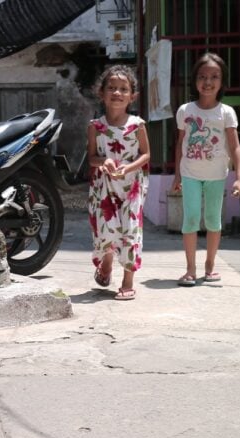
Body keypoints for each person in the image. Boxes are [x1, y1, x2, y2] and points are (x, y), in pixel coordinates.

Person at [172, 52, 240, 286]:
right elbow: (180, 145)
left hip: (216, 175)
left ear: (222, 81)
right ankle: (190, 270)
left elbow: (235, 147)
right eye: (202, 76)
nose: (208, 81)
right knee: (191, 219)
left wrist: (239, 178)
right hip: (190, 173)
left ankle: (210, 266)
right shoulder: (185, 111)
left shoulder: (226, 113)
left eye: (214, 76)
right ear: (195, 81)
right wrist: (176, 175)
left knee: (213, 221)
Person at [87, 65, 151, 300]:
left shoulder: (137, 125)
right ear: (101, 93)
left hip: (132, 188)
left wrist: (129, 167)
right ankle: (106, 262)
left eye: (123, 89)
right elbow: (92, 157)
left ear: (132, 96)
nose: (117, 92)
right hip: (104, 189)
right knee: (106, 229)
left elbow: (146, 154)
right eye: (111, 88)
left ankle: (127, 281)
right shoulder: (96, 127)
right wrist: (104, 162)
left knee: (130, 231)